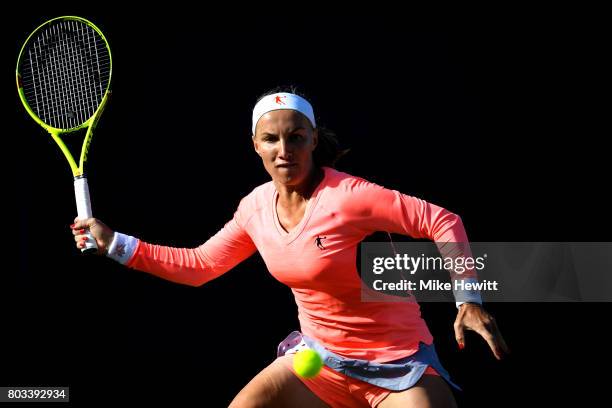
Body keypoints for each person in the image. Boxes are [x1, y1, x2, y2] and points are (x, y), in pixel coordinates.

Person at [70, 87, 509, 407]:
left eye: (296, 137)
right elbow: (201, 265)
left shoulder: (350, 196)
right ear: (255, 146)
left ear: (313, 139)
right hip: (318, 364)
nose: (285, 150)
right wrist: (116, 244)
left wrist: (467, 298)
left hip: (399, 367)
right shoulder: (255, 207)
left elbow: (442, 220)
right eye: (272, 139)